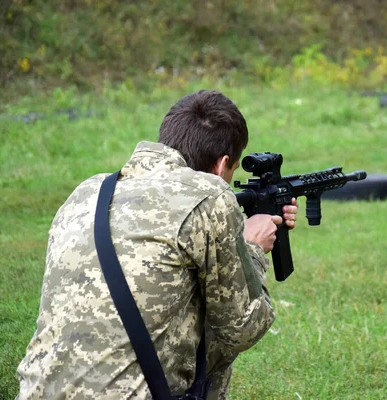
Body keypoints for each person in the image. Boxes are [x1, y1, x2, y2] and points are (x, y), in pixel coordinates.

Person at [16, 90, 299, 399]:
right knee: (220, 320)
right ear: (222, 165)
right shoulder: (213, 196)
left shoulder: (87, 191)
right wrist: (253, 248)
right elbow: (242, 328)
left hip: (39, 390)